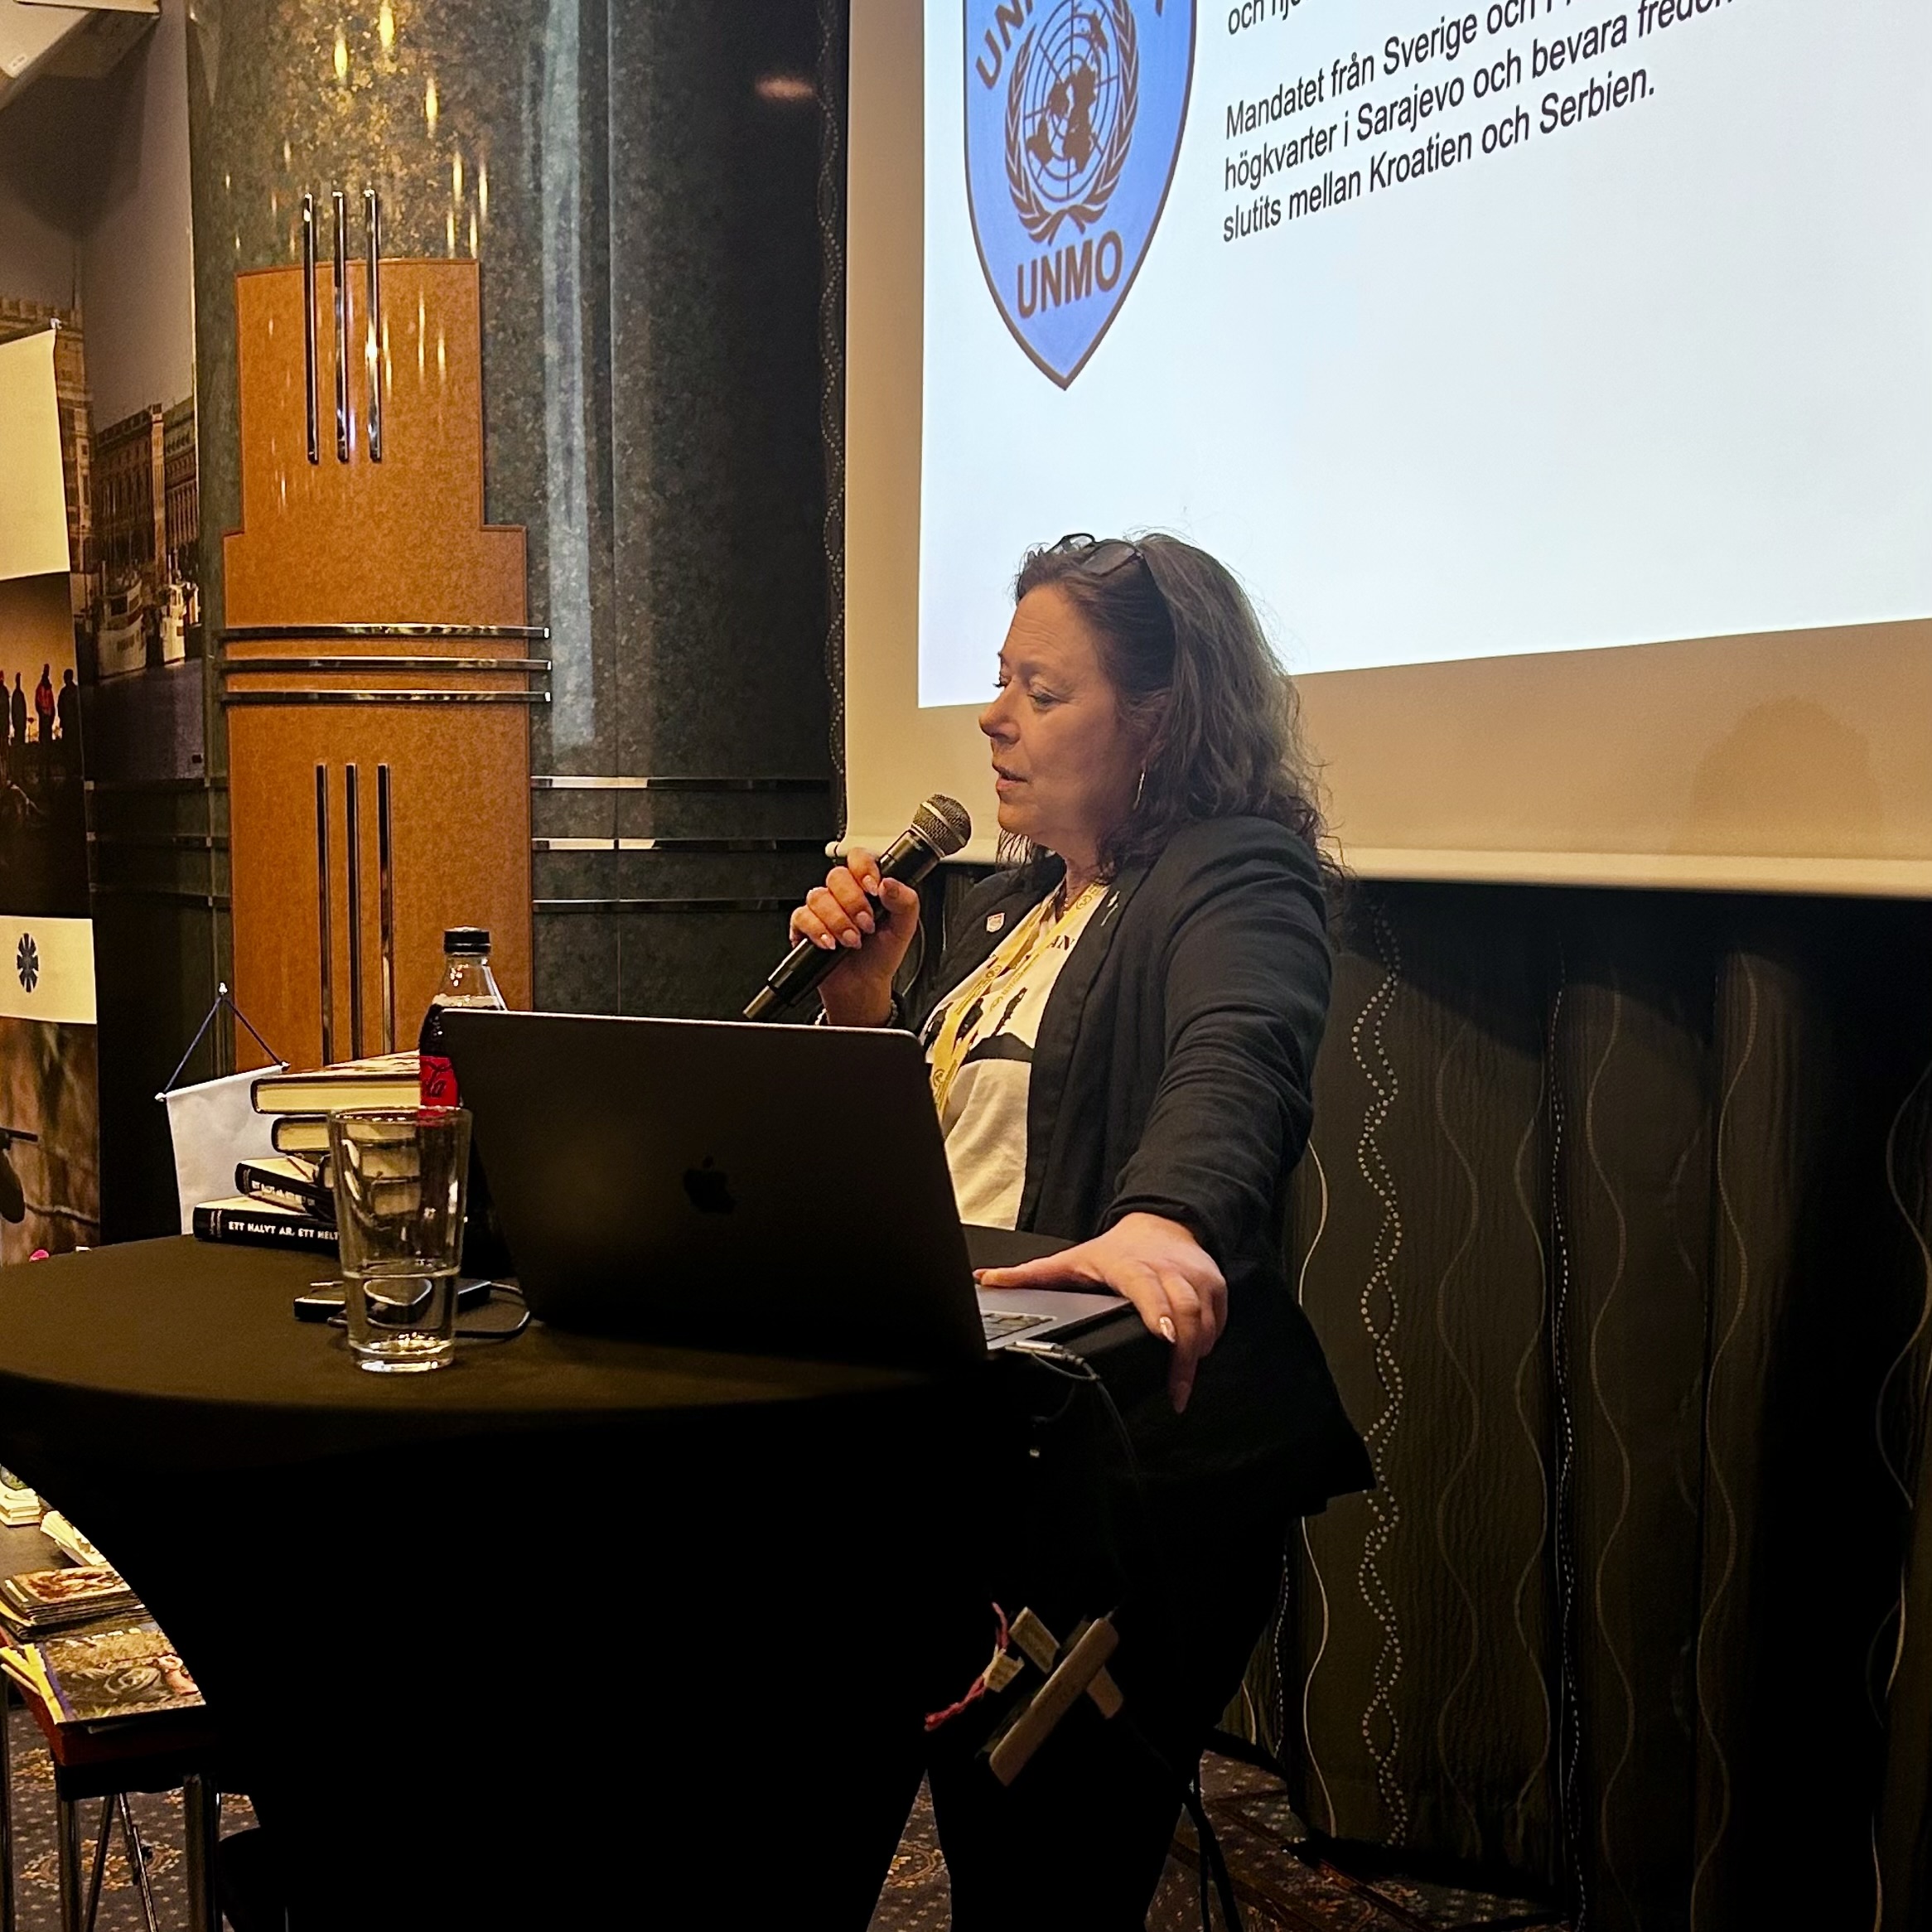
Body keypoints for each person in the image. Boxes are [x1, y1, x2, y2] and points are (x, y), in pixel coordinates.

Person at [790, 533, 1372, 1924]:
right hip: (955, 1438)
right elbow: (941, 1173)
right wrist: (861, 1012)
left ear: (1161, 720)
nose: (993, 718)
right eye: (998, 682)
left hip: (1124, 1463)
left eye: (1039, 691)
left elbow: (1236, 1056)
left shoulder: (1234, 877)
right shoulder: (1005, 910)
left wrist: (1168, 1218)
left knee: (1041, 1877)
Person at [55, 669, 79, 776]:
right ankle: (71, 769)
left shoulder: (68, 692)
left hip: (71, 724)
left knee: (71, 747)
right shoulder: (71, 691)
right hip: (70, 724)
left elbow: (60, 707)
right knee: (70, 748)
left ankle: (72, 769)